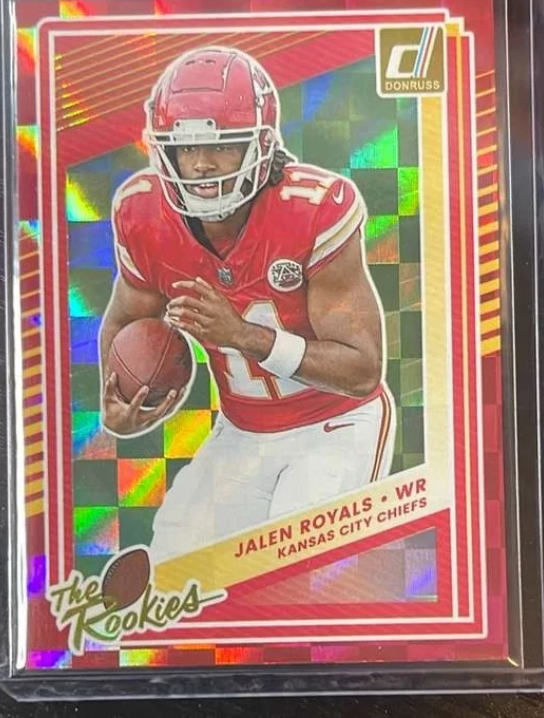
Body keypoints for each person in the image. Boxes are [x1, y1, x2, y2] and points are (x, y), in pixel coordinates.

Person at [99, 46, 396, 562]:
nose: (202, 165)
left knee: (296, 570)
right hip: (243, 428)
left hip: (336, 422)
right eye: (186, 148)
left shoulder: (314, 209)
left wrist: (243, 336)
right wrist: (124, 403)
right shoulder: (142, 213)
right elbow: (127, 319)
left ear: (260, 144)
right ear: (164, 151)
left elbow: (361, 369)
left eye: (222, 146)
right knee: (176, 568)